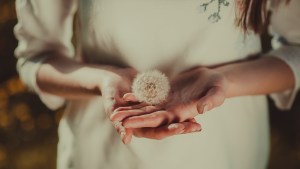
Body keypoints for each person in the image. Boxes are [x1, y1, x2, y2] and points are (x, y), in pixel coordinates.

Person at [14, 0, 299, 169]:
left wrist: (224, 81)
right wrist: (102, 79)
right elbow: (37, 58)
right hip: (106, 155)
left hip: (226, 152)